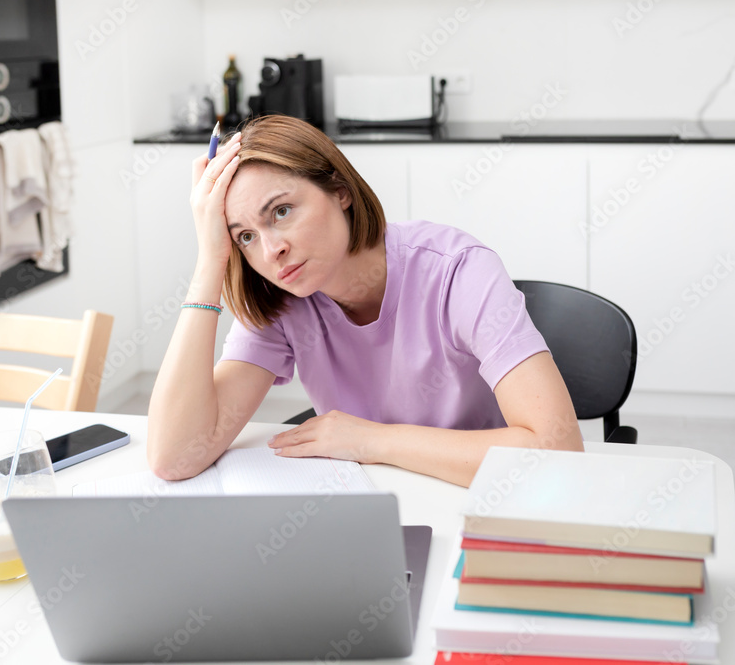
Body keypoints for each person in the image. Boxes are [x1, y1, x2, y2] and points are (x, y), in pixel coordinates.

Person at [146, 115, 583, 487]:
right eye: (245, 236)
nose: (270, 250)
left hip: (476, 499)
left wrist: (374, 440)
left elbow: (557, 450)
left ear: (340, 190)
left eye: (281, 211)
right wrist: (209, 263)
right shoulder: (282, 298)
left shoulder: (458, 272)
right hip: (371, 499)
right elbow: (175, 456)